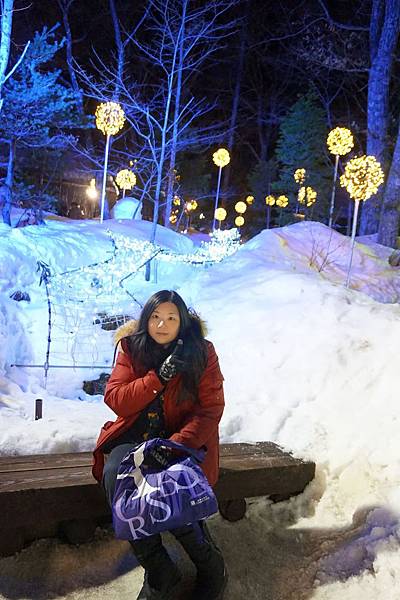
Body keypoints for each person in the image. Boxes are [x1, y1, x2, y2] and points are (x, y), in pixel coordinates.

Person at [92, 290, 226, 600]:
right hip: (135, 438)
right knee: (117, 476)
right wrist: (157, 378)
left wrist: (176, 445)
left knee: (173, 488)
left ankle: (211, 565)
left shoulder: (202, 352)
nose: (162, 324)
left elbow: (210, 410)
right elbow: (117, 401)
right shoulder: (130, 347)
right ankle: (160, 570)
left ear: (183, 321)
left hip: (183, 440)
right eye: (155, 317)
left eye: (171, 318)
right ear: (145, 319)